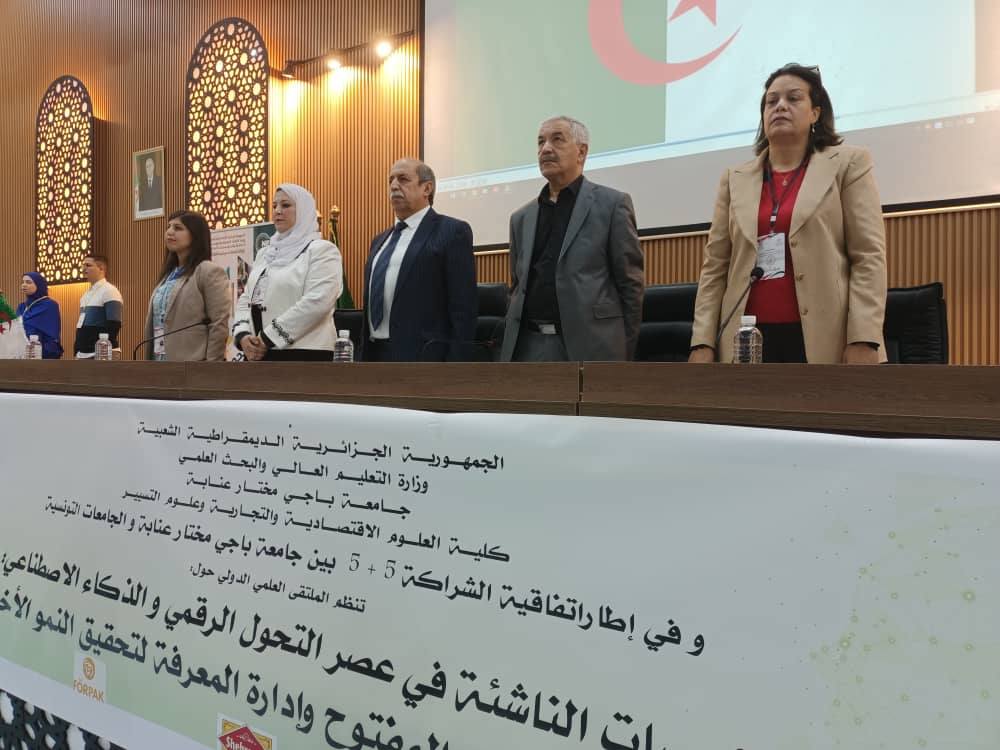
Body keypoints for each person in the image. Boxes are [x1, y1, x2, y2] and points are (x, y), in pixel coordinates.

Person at [689, 63, 887, 364]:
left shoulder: (848, 165)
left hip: (825, 340)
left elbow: (868, 256)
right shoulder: (734, 178)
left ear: (815, 113)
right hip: (745, 341)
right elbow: (715, 267)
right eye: (771, 101)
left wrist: (863, 337)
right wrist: (702, 342)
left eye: (793, 98)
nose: (780, 106)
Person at [499, 116, 644, 362]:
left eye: (557, 139)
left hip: (592, 347)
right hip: (527, 347)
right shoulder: (521, 218)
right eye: (540, 142)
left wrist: (622, 351)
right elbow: (517, 285)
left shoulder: (612, 205)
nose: (545, 148)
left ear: (581, 152)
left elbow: (630, 286)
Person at [362, 158, 476, 362]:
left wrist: (456, 368)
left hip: (424, 359)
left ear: (427, 188)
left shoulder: (451, 232)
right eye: (391, 180)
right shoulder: (379, 241)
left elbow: (463, 309)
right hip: (374, 356)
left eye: (403, 179)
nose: (394, 186)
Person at [233, 184, 343, 361]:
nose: (277, 211)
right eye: (274, 206)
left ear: (304, 210)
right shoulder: (265, 253)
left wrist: (269, 337)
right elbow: (246, 298)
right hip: (259, 354)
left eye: (285, 205)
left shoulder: (322, 250)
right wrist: (243, 336)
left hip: (305, 355)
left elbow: (318, 301)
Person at [142, 210, 230, 361]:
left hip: (192, 366)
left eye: (178, 228)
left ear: (195, 235)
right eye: (168, 227)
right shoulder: (168, 274)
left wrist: (211, 367)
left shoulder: (207, 271)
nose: (169, 232)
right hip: (158, 361)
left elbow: (219, 324)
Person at [74, 254, 123, 358]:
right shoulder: (86, 294)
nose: (84, 268)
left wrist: (103, 351)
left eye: (88, 265)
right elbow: (81, 324)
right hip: (83, 353)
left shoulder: (110, 291)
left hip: (102, 353)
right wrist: (77, 348)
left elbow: (114, 324)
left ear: (101, 269)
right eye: (83, 265)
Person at [17, 272, 63, 359]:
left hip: (43, 353)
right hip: (23, 353)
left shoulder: (50, 305)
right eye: (23, 282)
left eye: (28, 282)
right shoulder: (22, 307)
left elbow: (52, 332)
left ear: (39, 285)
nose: (24, 285)